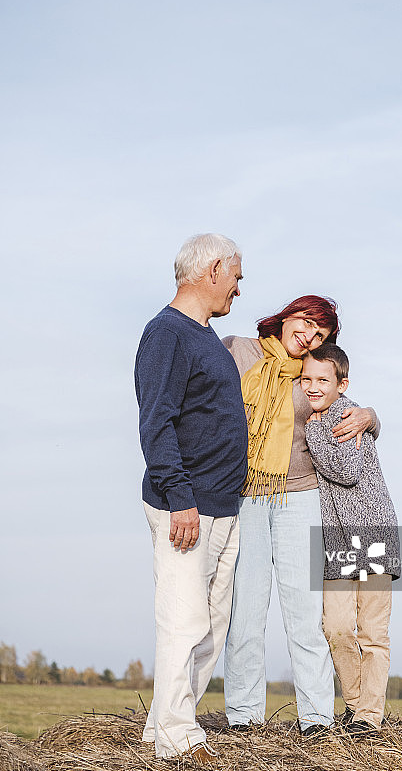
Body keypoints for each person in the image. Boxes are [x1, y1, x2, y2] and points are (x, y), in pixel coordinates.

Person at [223, 296, 381, 735]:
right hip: (245, 494)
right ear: (287, 315)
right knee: (245, 612)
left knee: (305, 614)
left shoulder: (311, 370)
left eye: (320, 333)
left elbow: (348, 407)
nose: (309, 335)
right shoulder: (237, 350)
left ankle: (316, 717)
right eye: (307, 322)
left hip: (300, 495)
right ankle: (243, 715)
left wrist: (371, 417)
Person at [134, 233, 248, 762]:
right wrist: (180, 496)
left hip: (222, 505)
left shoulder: (206, 337)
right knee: (184, 623)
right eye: (236, 278)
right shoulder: (166, 333)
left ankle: (163, 725)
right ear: (213, 270)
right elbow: (156, 421)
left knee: (211, 628)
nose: (238, 289)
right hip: (187, 506)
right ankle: (179, 739)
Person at [302, 343, 401, 735]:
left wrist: (313, 433)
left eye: (322, 380)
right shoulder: (321, 416)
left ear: (341, 384)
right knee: (336, 627)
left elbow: (346, 470)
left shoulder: (347, 414)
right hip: (338, 541)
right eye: (307, 379)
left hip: (373, 533)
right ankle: (357, 704)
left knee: (372, 631)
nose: (313, 386)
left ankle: (369, 715)